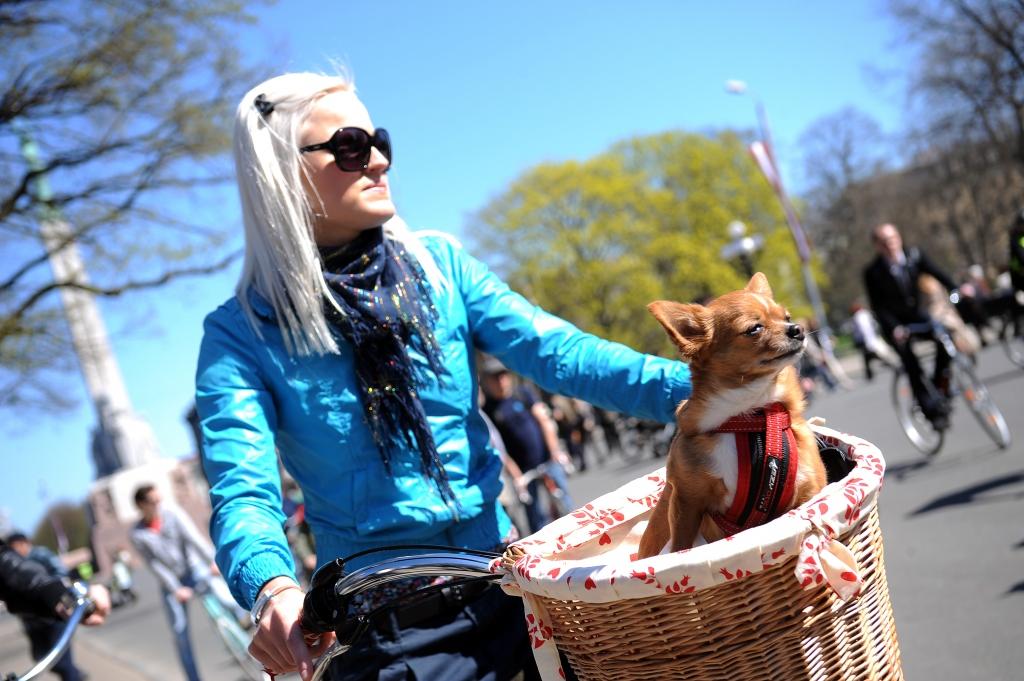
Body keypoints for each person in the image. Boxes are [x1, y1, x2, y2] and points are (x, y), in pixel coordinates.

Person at [193, 70, 691, 681]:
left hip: (513, 586)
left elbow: (559, 352)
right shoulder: (240, 333)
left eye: (380, 141)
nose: (377, 160)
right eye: (349, 146)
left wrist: (707, 391)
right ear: (281, 172)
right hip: (386, 632)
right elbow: (241, 490)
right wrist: (271, 586)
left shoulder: (441, 265)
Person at [129, 484, 249, 681]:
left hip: (195, 570)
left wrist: (213, 561)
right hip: (173, 583)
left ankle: (247, 632)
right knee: (180, 632)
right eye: (153, 501)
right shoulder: (137, 534)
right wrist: (176, 589)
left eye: (159, 499)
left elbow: (193, 538)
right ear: (142, 505)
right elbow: (155, 565)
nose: (158, 504)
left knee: (226, 599)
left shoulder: (173, 514)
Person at [863, 223, 969, 430]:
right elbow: (879, 307)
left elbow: (938, 272)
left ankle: (940, 387)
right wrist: (895, 328)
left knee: (944, 339)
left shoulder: (914, 255)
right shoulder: (872, 272)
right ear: (877, 246)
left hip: (915, 315)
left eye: (893, 238)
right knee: (912, 364)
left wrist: (956, 288)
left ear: (899, 237)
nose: (891, 244)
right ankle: (931, 412)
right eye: (884, 241)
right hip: (894, 325)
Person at [480, 357, 576, 533]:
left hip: (547, 460)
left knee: (565, 506)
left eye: (503, 375)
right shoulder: (490, 410)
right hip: (524, 471)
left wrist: (555, 451)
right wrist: (516, 475)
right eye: (495, 378)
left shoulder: (522, 393)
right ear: (487, 381)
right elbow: (498, 447)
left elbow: (544, 421)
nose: (500, 381)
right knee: (536, 518)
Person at [0, 539, 110, 676]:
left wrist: (64, 597)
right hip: (30, 620)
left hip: (49, 614)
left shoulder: (40, 555)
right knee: (40, 657)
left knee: (61, 661)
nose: (15, 549)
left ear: (23, 543)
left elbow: (16, 571)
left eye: (16, 545)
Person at [847, 303, 898, 382]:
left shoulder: (859, 317)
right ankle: (869, 374)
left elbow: (865, 330)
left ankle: (873, 372)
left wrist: (868, 342)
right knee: (868, 357)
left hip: (866, 340)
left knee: (871, 356)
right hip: (868, 340)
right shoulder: (865, 314)